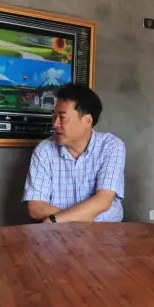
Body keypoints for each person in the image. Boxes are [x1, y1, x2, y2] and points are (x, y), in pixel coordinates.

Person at [23, 83, 125, 223]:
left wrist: (54, 219)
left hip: (104, 232)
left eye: (62, 117)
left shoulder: (111, 146)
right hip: (58, 233)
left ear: (87, 120)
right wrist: (72, 218)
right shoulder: (44, 151)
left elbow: (103, 200)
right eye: (54, 116)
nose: (55, 124)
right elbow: (36, 207)